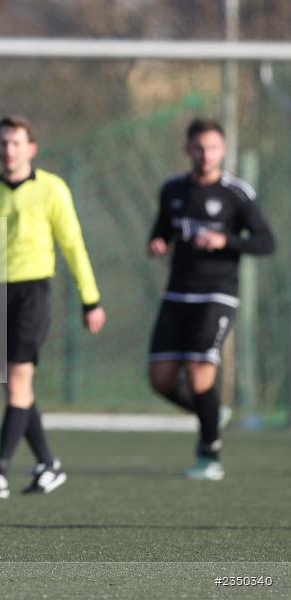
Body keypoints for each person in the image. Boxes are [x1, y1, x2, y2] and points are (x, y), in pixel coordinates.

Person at [0, 115, 106, 499]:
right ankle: (48, 464)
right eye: (4, 142)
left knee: (19, 381)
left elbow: (73, 244)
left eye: (17, 143)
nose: (10, 150)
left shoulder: (52, 188)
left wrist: (90, 298)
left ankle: (0, 471)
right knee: (16, 387)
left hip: (33, 293)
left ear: (31, 148)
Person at [147, 118, 274, 481]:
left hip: (217, 293)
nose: (206, 155)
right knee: (160, 379)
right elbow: (162, 231)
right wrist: (157, 243)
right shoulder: (172, 189)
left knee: (199, 371)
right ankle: (211, 412)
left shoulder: (237, 193)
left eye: (213, 148)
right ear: (188, 149)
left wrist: (226, 241)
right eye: (199, 148)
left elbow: (266, 242)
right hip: (177, 293)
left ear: (223, 150)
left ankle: (209, 455)